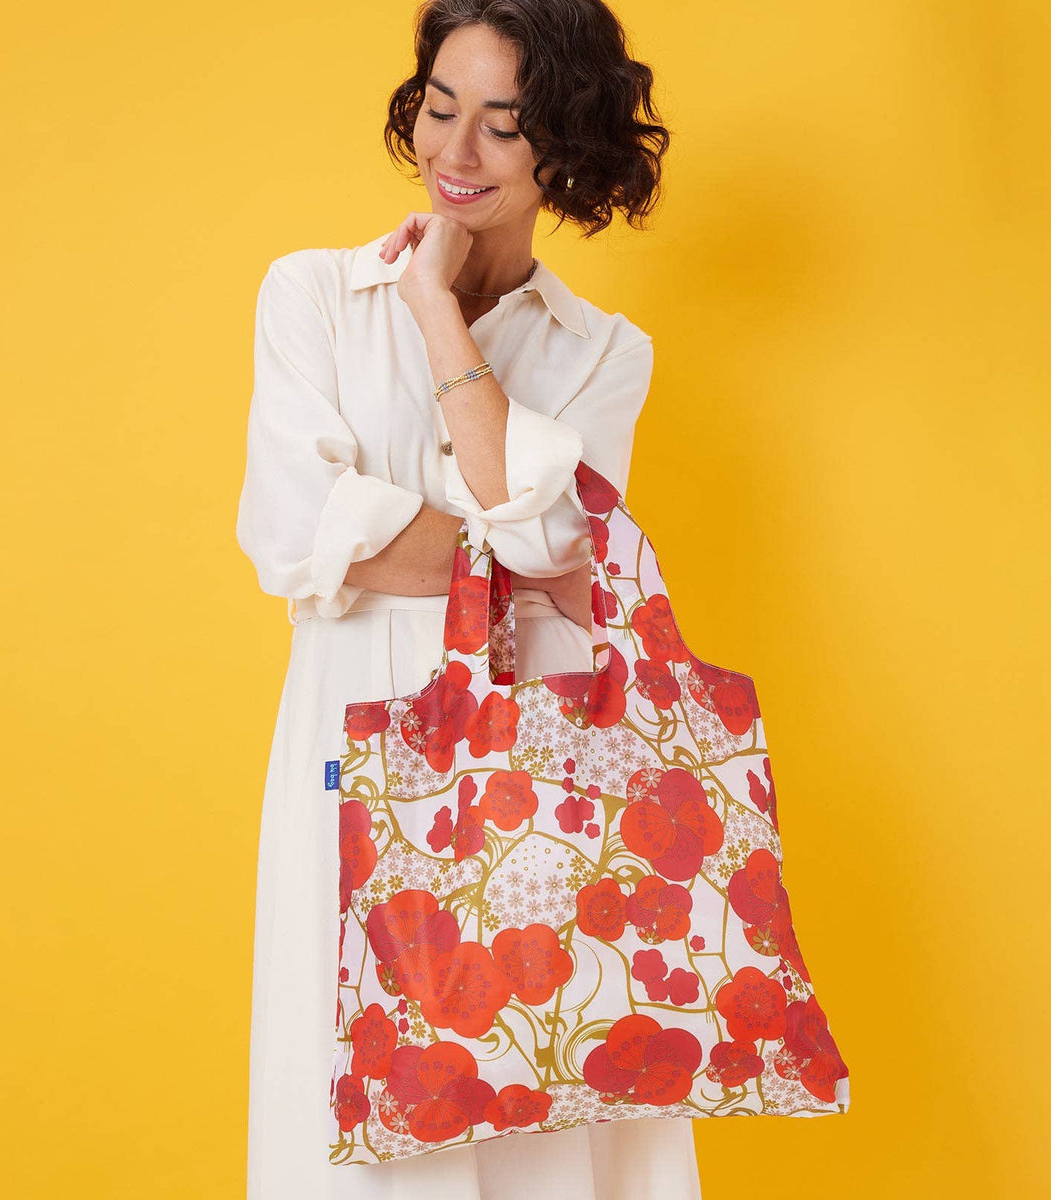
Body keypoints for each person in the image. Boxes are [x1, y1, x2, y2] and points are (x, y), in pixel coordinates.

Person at [236, 3, 702, 1196]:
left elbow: (557, 540)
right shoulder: (314, 296)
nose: (455, 151)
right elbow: (293, 532)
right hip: (350, 742)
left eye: (502, 125)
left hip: (538, 752)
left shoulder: (604, 351)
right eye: (441, 109)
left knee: (539, 1074)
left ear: (566, 145)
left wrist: (438, 313)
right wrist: (513, 549)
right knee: (353, 1082)